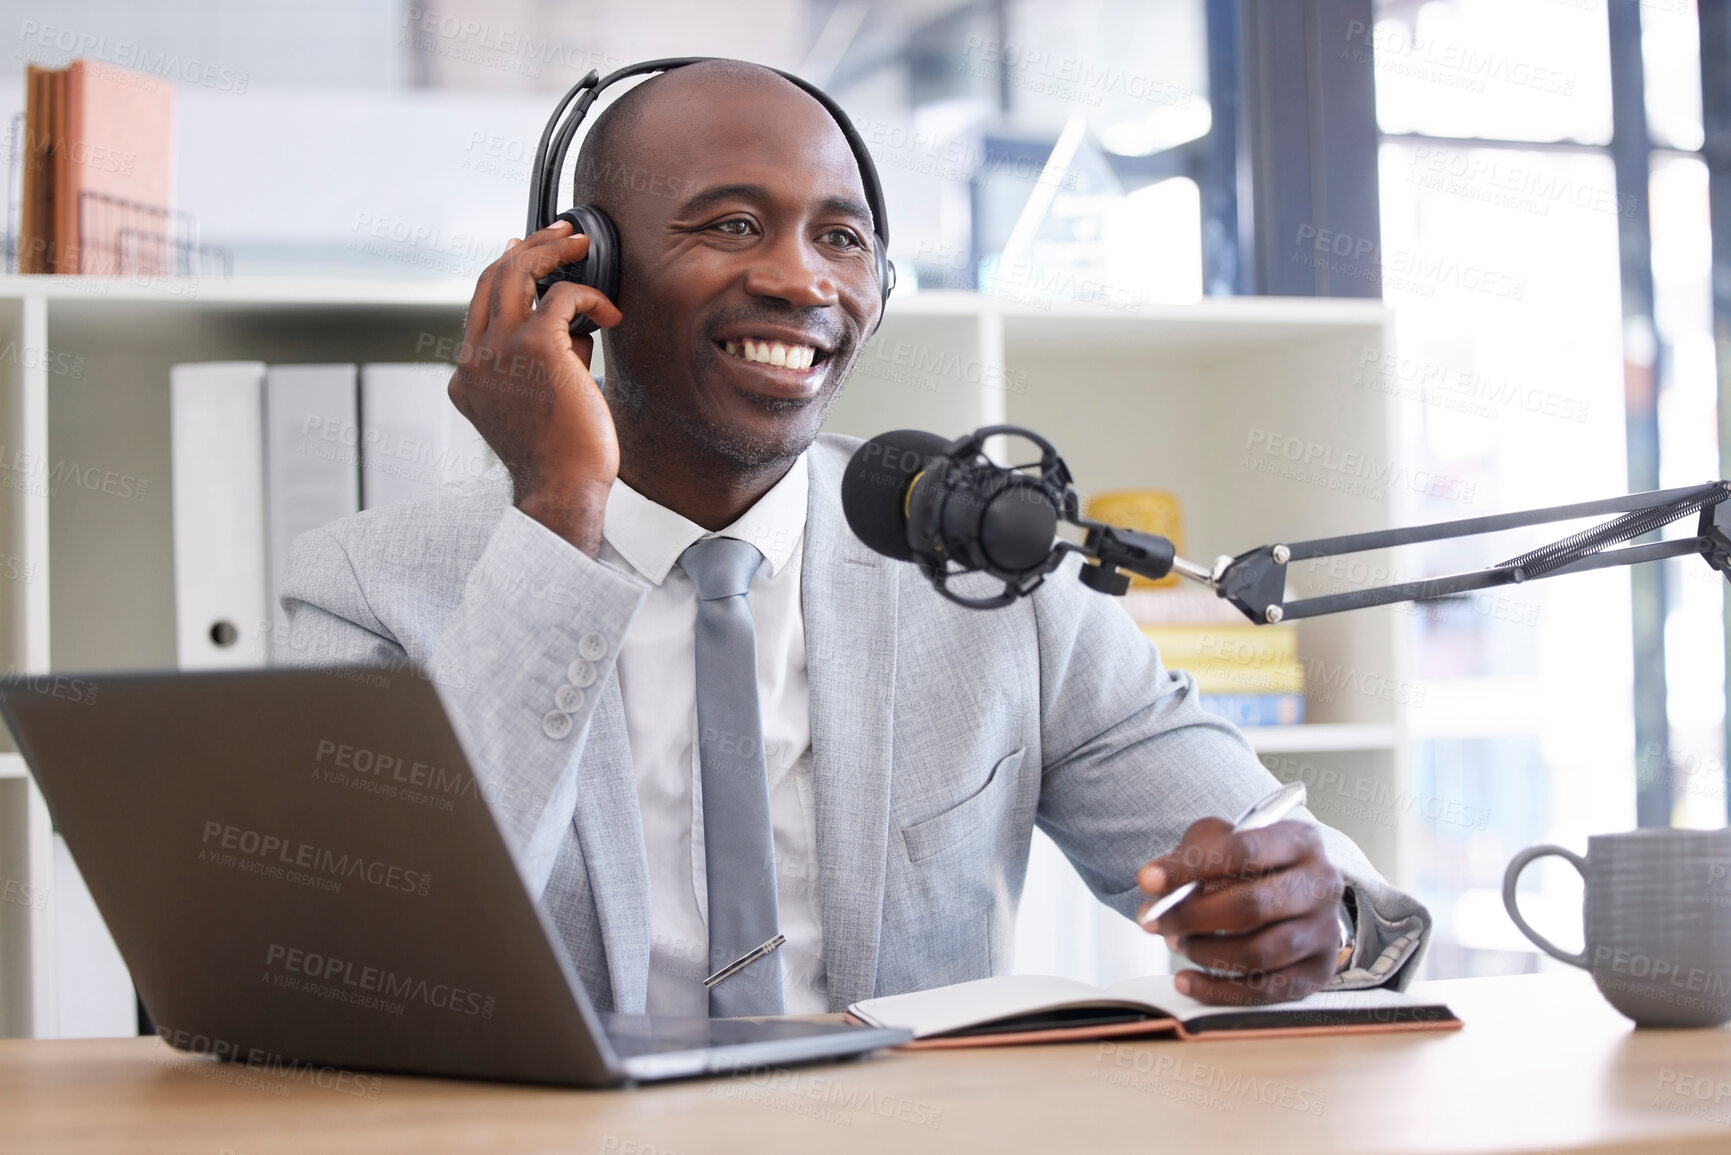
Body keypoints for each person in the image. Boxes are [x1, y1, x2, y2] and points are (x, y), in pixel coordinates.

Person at [282, 59, 1429, 1018]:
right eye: (733, 224)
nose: (800, 278)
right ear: (585, 268)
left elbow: (1302, 880)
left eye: (842, 238)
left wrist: (1303, 914)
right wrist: (557, 516)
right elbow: (376, 960)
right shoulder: (371, 587)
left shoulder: (991, 577)